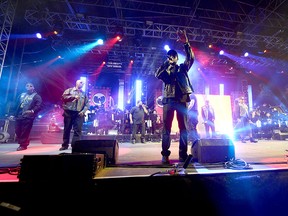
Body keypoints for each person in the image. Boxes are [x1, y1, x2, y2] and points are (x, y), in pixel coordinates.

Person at [155, 29, 195, 164]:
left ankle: (183, 154)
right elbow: (157, 74)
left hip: (182, 100)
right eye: (169, 56)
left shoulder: (183, 68)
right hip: (168, 100)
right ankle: (165, 154)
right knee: (166, 128)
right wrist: (167, 62)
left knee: (183, 127)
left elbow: (191, 58)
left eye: (173, 56)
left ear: (177, 58)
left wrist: (186, 43)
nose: (171, 57)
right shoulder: (165, 71)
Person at [10, 82, 42, 151]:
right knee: (17, 130)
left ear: (33, 87)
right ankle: (25, 141)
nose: (28, 87)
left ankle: (23, 145)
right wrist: (12, 114)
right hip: (19, 114)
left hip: (28, 116)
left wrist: (32, 111)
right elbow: (15, 105)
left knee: (25, 130)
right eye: (27, 85)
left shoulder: (36, 96)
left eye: (31, 86)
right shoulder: (21, 95)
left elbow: (39, 106)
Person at [59, 80, 89, 151]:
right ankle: (65, 145)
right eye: (81, 82)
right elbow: (63, 98)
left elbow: (87, 104)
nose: (82, 83)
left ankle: (75, 145)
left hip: (78, 114)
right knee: (67, 129)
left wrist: (83, 111)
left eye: (83, 83)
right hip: (68, 112)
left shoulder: (84, 94)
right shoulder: (69, 90)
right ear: (76, 83)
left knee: (78, 130)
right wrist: (73, 97)